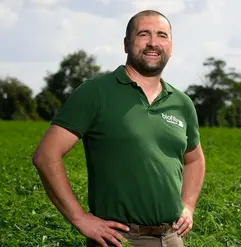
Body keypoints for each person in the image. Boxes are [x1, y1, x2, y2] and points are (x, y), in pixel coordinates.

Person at [32, 9, 206, 247]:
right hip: (120, 239)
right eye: (144, 34)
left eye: (162, 35)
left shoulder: (182, 103)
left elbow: (195, 160)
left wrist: (188, 206)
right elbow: (46, 155)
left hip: (172, 238)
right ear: (126, 44)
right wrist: (79, 217)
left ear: (171, 46)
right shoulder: (95, 92)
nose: (153, 43)